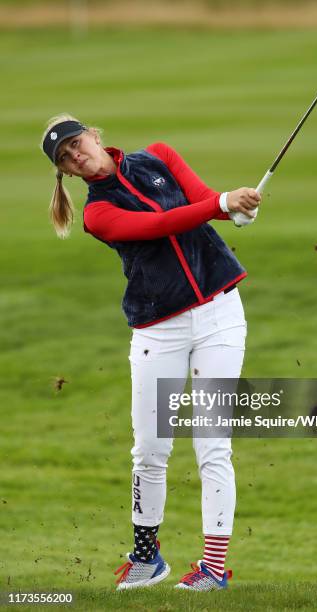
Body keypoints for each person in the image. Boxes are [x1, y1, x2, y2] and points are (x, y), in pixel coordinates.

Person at [41, 114, 261, 592]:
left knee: (213, 443)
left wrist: (235, 208)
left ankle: (213, 568)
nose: (78, 155)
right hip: (159, 330)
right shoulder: (97, 214)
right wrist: (220, 205)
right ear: (70, 173)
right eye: (67, 157)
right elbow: (160, 224)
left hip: (220, 315)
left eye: (78, 143)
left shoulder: (159, 154)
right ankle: (147, 559)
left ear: (95, 136)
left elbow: (204, 203)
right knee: (150, 450)